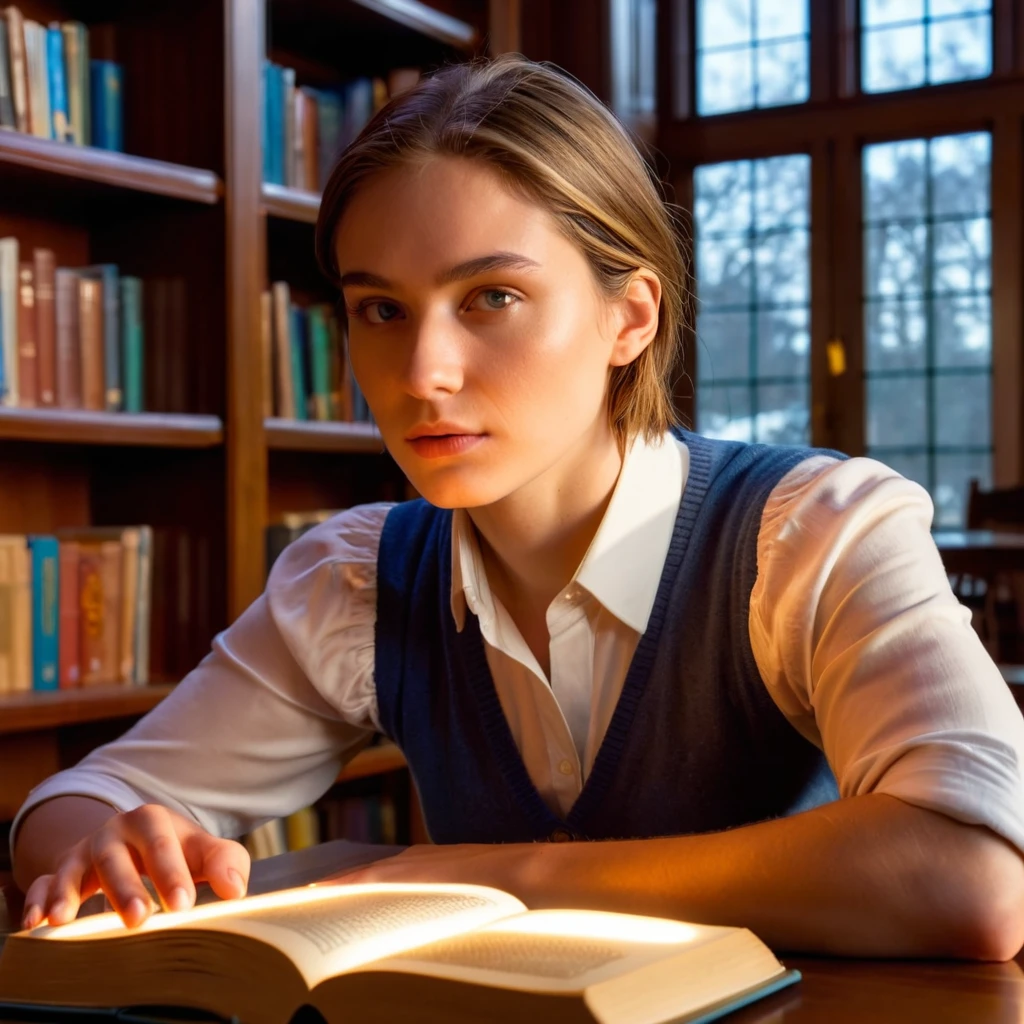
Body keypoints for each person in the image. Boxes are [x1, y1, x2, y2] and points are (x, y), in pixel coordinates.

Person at [12, 54, 1024, 960]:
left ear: (629, 315)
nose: (422, 372)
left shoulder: (813, 533)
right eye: (381, 309)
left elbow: (971, 877)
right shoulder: (358, 579)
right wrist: (106, 841)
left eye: (490, 297)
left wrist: (491, 873)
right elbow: (68, 805)